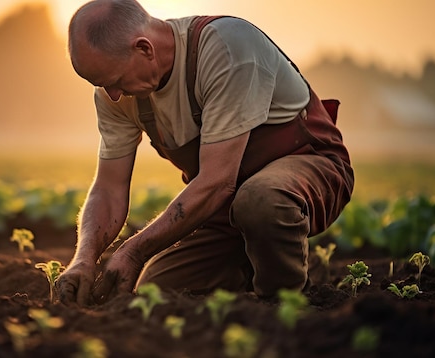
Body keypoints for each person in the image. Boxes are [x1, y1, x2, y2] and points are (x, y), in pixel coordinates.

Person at [56, 0, 354, 306]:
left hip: (309, 169)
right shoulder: (114, 91)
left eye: (116, 82)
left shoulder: (227, 47)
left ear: (144, 49)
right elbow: (108, 188)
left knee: (261, 200)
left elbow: (217, 181)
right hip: (226, 205)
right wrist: (84, 259)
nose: (113, 95)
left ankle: (285, 302)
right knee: (155, 292)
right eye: (103, 85)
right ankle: (253, 266)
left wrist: (133, 250)